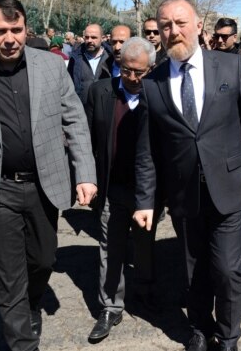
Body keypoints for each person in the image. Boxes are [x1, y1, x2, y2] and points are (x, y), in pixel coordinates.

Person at [0, 0, 97, 351]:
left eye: (16, 29)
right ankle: (22, 341)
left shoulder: (50, 66)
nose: (9, 38)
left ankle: (32, 304)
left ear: (26, 29)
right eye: (0, 31)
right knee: (8, 275)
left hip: (45, 186)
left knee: (43, 259)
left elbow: (74, 119)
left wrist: (85, 172)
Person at [133, 0, 241, 351]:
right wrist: (145, 201)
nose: (173, 31)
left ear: (198, 27)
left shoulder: (229, 66)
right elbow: (147, 150)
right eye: (166, 26)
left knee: (227, 269)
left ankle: (228, 336)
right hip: (183, 193)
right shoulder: (152, 84)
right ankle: (198, 326)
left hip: (228, 185)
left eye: (181, 23)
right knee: (193, 269)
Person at [85, 37, 159, 341]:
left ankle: (144, 293)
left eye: (139, 72)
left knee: (144, 245)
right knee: (110, 246)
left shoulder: (158, 96)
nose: (132, 77)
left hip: (146, 192)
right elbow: (87, 139)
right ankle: (110, 306)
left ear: (151, 69)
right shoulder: (99, 92)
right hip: (111, 187)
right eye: (126, 69)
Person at [67, 23, 115, 104]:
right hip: (82, 108)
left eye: (93, 37)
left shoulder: (111, 57)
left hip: (105, 107)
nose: (89, 40)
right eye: (86, 37)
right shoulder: (75, 58)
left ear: (102, 38)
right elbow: (68, 84)